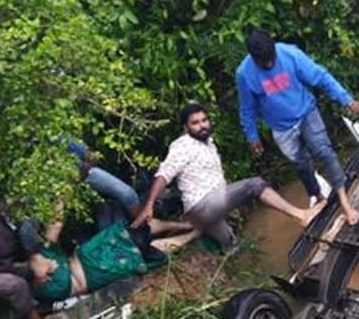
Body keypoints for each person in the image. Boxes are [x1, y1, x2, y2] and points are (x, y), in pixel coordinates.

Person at [132, 103, 320, 251]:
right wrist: (149, 205)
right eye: (195, 123)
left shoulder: (208, 143)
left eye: (204, 120)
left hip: (206, 210)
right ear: (185, 127)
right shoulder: (182, 146)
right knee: (254, 185)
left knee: (230, 244)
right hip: (203, 205)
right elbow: (164, 175)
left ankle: (175, 232)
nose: (202, 125)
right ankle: (301, 215)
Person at [236, 29, 359, 224]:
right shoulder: (244, 74)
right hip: (281, 128)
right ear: (253, 58)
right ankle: (318, 196)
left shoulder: (289, 54)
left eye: (271, 59)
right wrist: (252, 136)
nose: (269, 64)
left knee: (324, 152)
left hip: (306, 112)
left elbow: (320, 76)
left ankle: (344, 201)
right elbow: (247, 109)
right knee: (301, 165)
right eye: (264, 63)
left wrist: (345, 99)